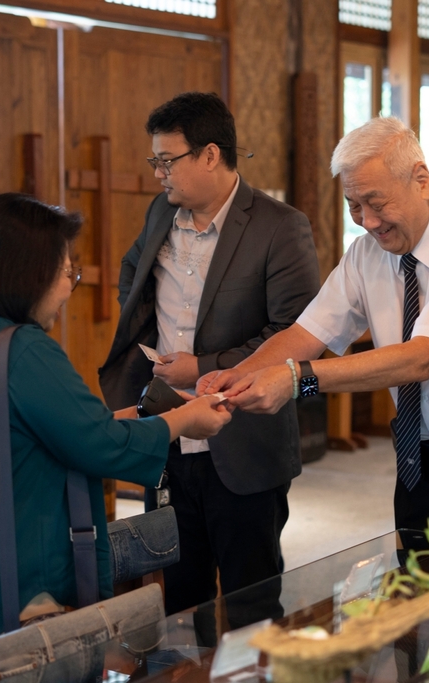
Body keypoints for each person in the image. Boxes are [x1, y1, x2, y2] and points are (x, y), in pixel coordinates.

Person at [201, 117, 429, 549]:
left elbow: (420, 358)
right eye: (353, 205)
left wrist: (296, 379)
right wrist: (234, 378)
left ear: (422, 181)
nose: (368, 221)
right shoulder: (366, 255)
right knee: (419, 597)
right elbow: (307, 332)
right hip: (423, 458)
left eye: (376, 202)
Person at [0, 193, 231, 675]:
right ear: (26, 273)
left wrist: (147, 414)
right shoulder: (20, 347)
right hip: (1, 583)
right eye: (65, 271)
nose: (69, 285)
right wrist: (187, 420)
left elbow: (57, 432)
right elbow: (102, 447)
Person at [99, 92, 320, 625]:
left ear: (210, 155)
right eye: (154, 161)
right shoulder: (161, 214)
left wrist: (202, 365)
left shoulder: (279, 226)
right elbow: (133, 276)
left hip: (243, 440)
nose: (157, 174)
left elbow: (297, 332)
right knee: (180, 596)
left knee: (252, 599)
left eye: (165, 160)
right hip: (169, 431)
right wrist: (147, 340)